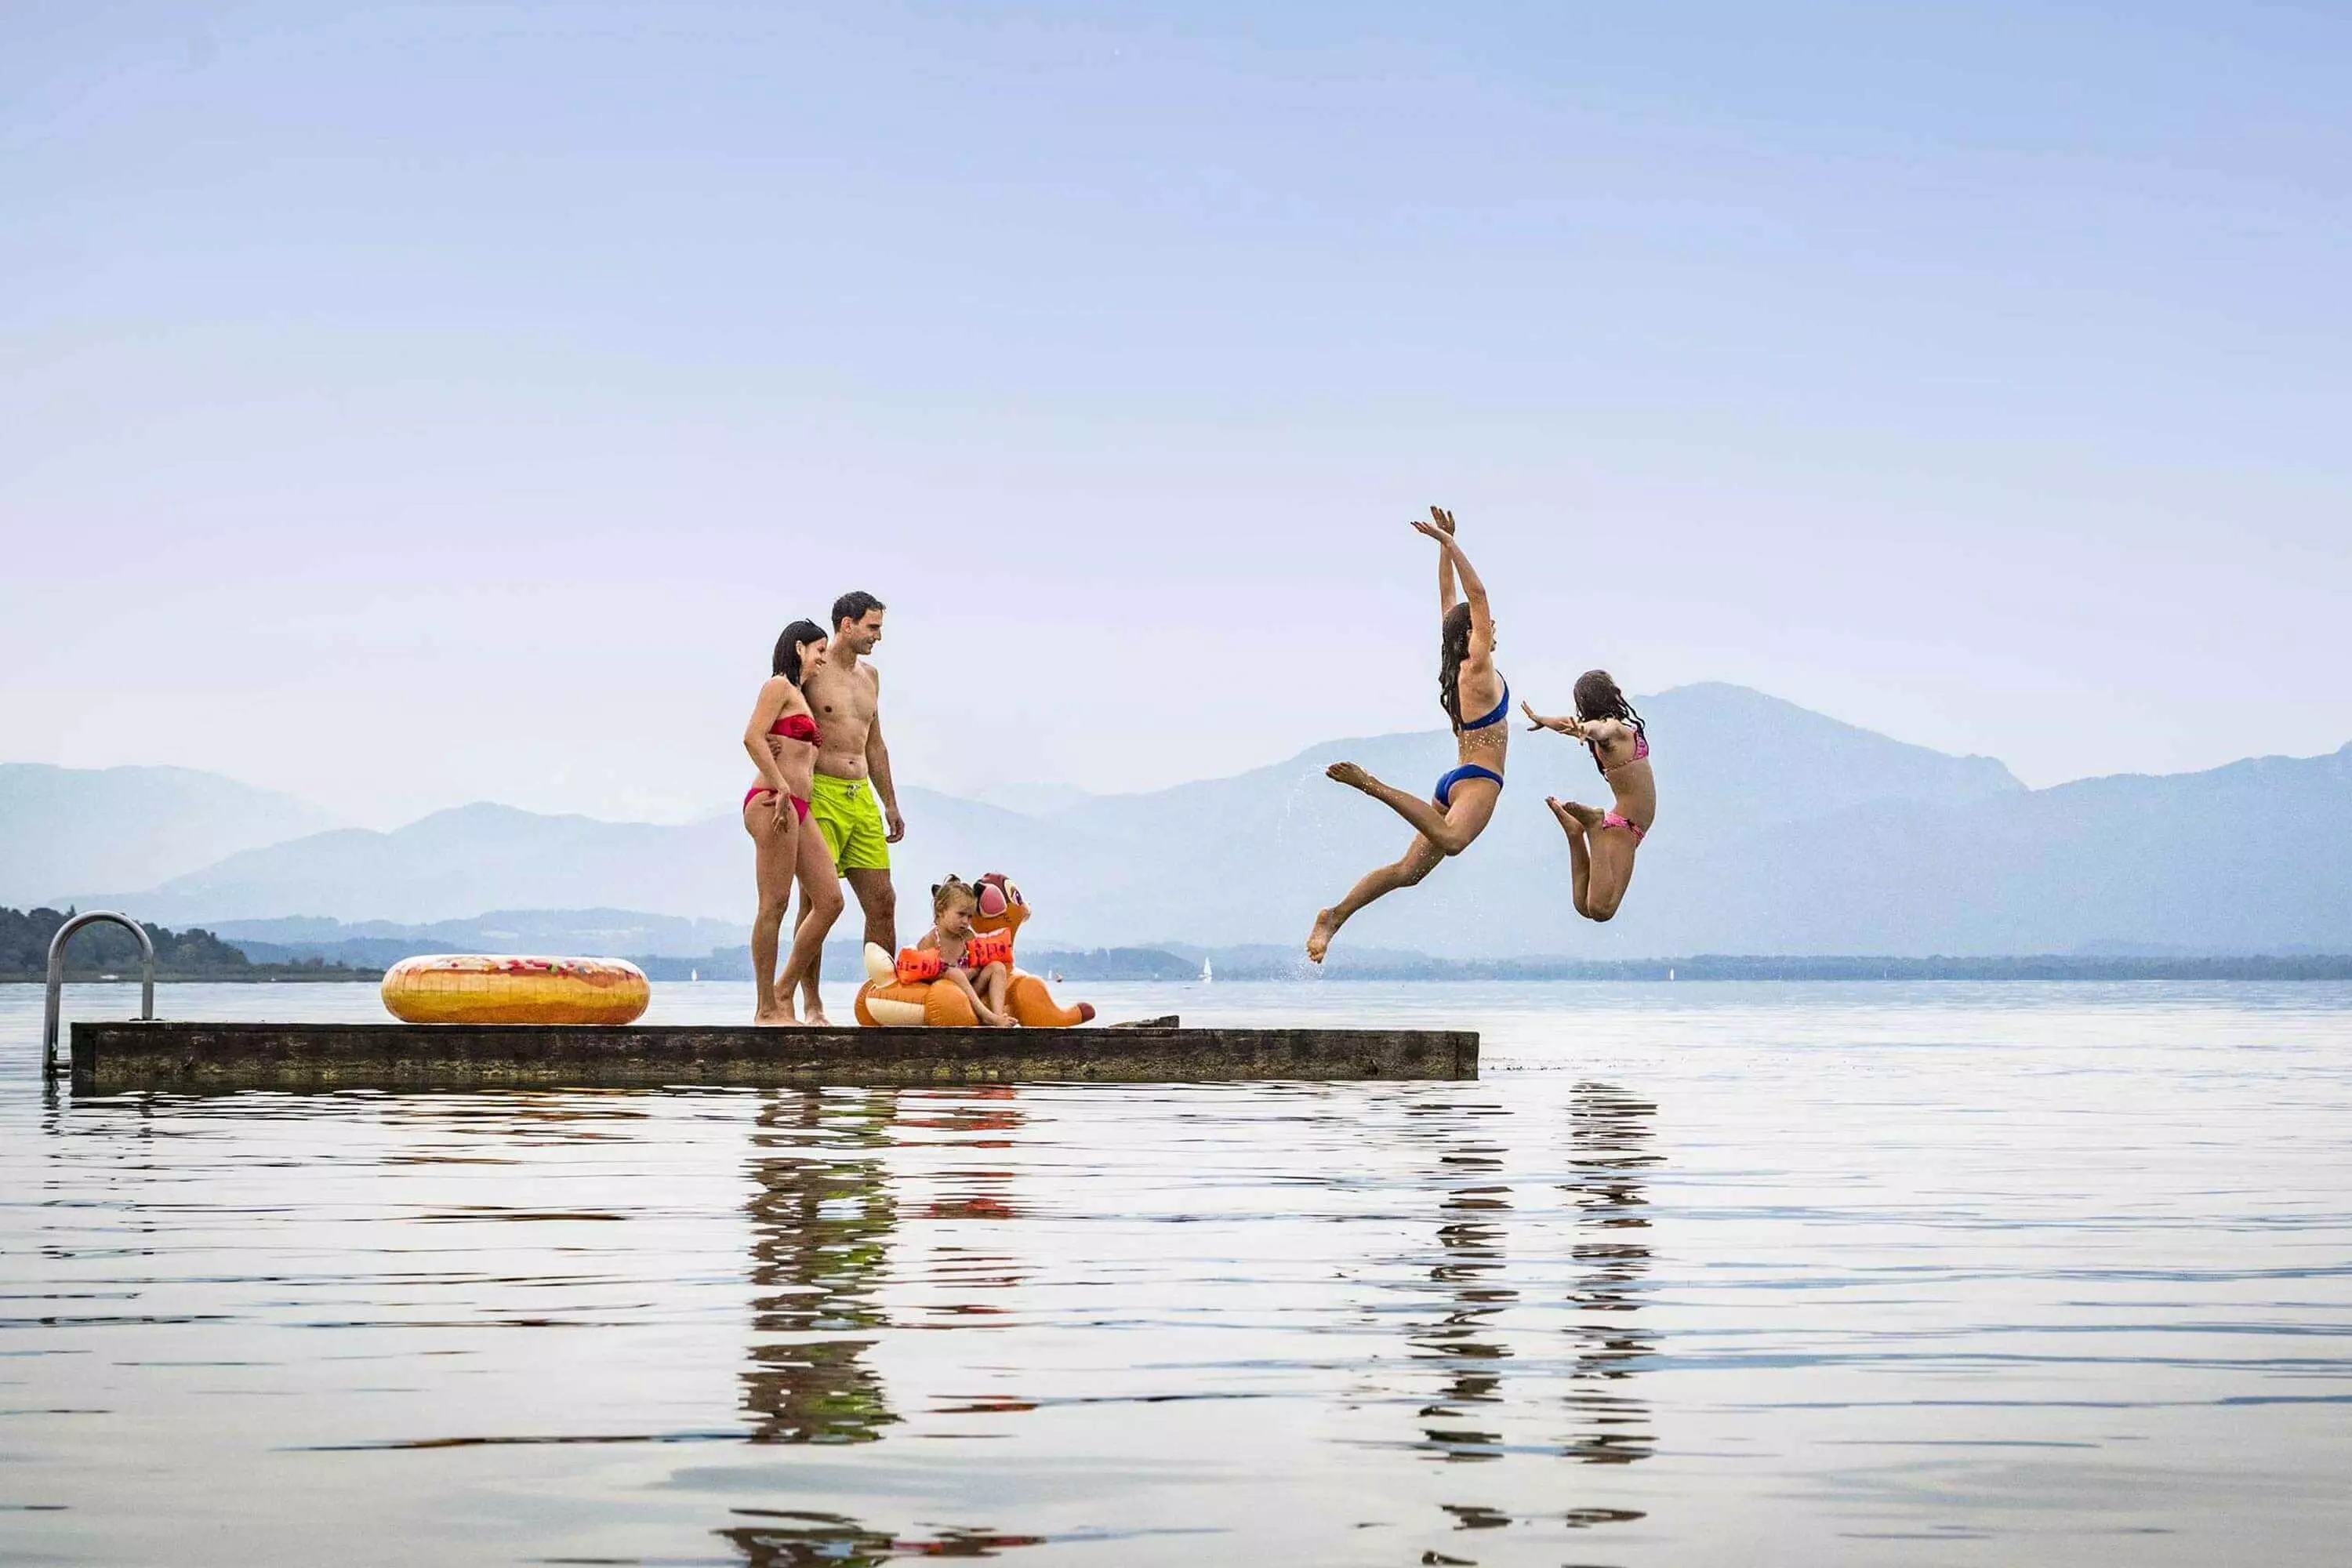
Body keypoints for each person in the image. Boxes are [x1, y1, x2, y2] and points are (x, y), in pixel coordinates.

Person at [1308, 507, 1508, 963]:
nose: (1493, 628)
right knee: (1452, 842)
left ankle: (1333, 916)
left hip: (1456, 779)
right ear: (1473, 636)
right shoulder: (1477, 668)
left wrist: (1441, 547)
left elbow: (1449, 603)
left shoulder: (1458, 666)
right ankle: (1371, 784)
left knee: (1408, 871)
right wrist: (1453, 544)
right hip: (1477, 781)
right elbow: (1476, 596)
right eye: (1487, 626)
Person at [785, 590, 905, 1023]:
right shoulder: (812, 672)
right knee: (816, 902)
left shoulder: (871, 677)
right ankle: (811, 1004)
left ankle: (882, 1003)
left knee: (882, 901)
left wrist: (889, 802)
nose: (878, 636)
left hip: (862, 798)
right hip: (822, 793)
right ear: (847, 625)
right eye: (872, 627)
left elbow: (875, 742)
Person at [741, 620, 832, 1024]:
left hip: (801, 806)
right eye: (819, 650)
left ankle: (784, 989)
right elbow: (752, 737)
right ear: (798, 648)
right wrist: (779, 786)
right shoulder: (777, 686)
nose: (823, 658)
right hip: (771, 801)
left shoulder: (800, 696)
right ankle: (765, 1010)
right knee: (774, 904)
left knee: (830, 901)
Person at [1521, 670, 1655, 922]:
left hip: (1624, 825)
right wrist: (1586, 730)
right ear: (1611, 694)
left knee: (1585, 905)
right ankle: (1592, 825)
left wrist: (1545, 720)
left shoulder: (1605, 734)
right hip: (1625, 826)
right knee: (1603, 910)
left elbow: (1573, 724)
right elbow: (1600, 729)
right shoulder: (1614, 729)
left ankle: (1575, 833)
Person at [902, 875, 1014, 1027]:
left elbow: (978, 965)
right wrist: (958, 973)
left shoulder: (967, 937)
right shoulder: (931, 940)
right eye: (961, 915)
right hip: (948, 996)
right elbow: (926, 977)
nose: (966, 922)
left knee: (997, 967)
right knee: (953, 973)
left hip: (971, 992)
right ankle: (988, 1017)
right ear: (941, 911)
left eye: (969, 917)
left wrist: (973, 971)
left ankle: (998, 1015)